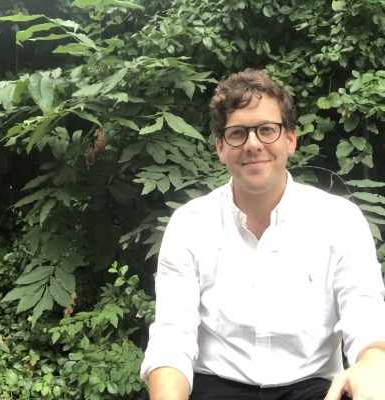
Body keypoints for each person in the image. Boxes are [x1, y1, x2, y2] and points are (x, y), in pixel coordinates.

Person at [140, 69, 385, 400]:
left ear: (290, 139)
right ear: (220, 148)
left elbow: (365, 315)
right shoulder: (189, 224)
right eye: (237, 133)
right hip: (215, 386)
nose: (253, 144)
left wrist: (373, 361)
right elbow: (172, 336)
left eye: (267, 129)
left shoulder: (340, 220)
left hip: (313, 387)